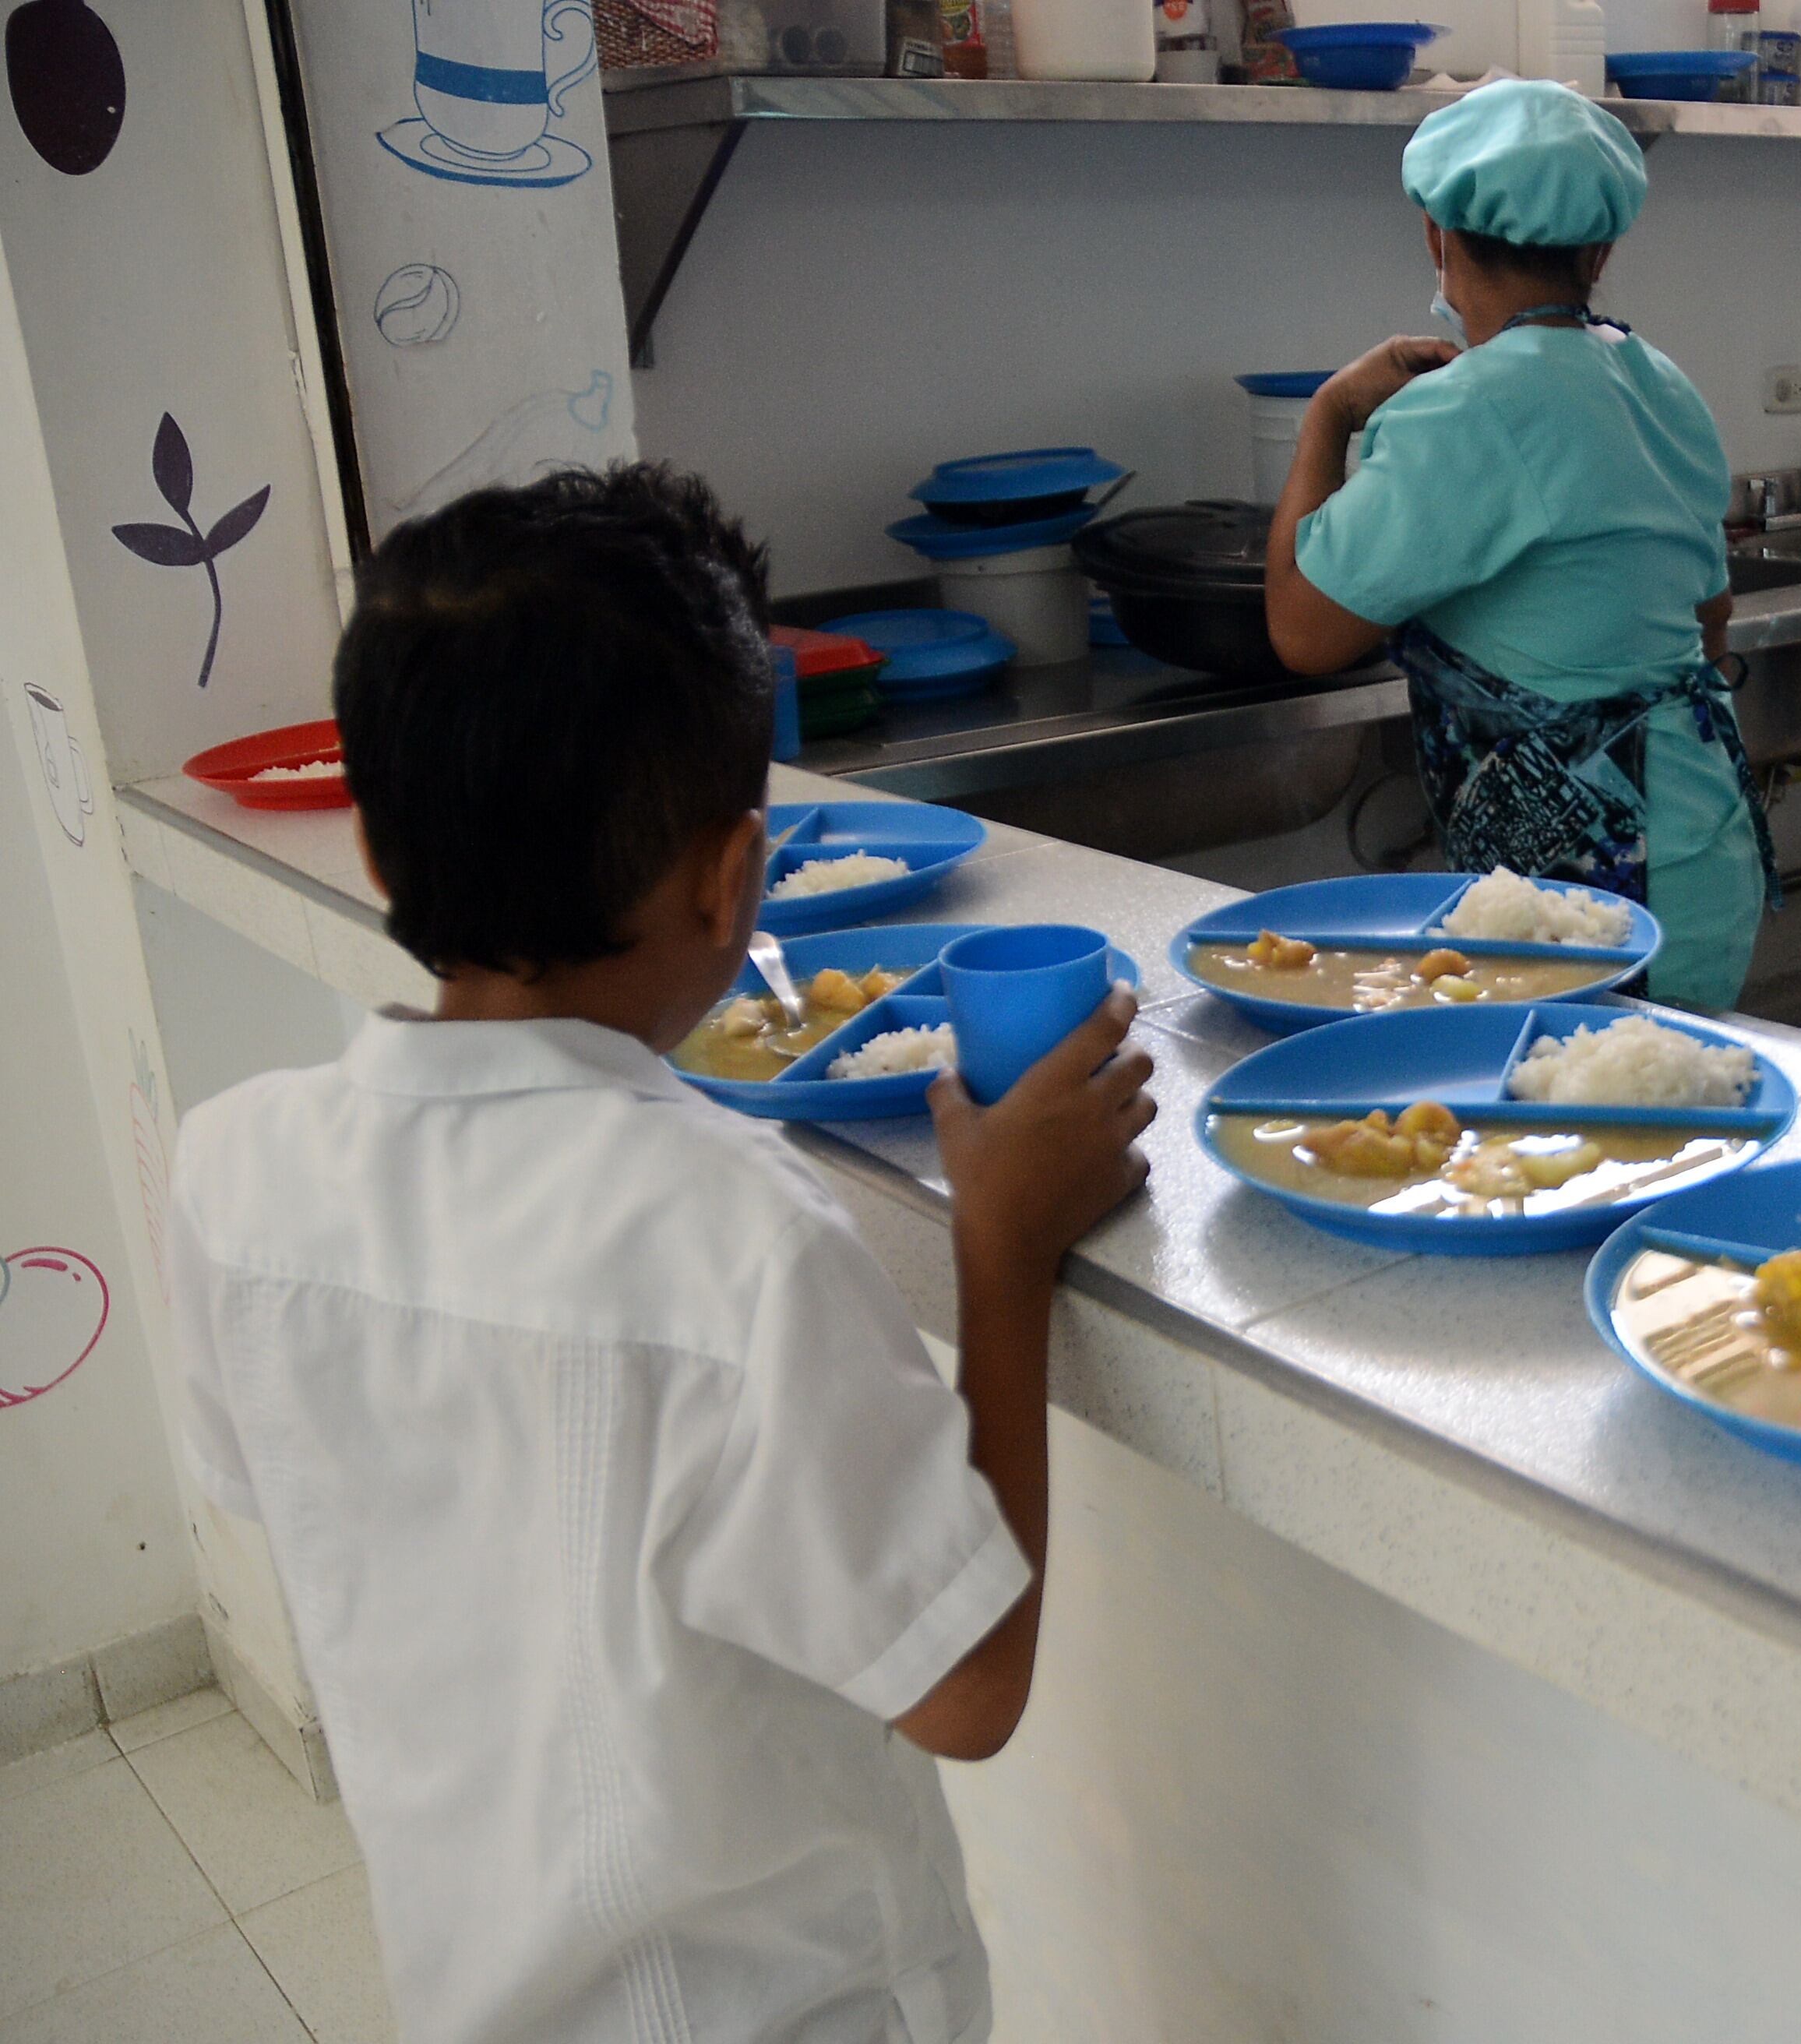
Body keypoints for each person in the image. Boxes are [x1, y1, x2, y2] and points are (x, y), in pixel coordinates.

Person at [165, 466, 1154, 2042]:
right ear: (734, 876)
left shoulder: (229, 1172)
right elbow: (966, 1690)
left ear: (370, 845)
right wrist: (1003, 1248)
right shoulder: (741, 1233)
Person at [1264, 77, 1775, 1011]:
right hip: (1700, 846)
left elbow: (1302, 629)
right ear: (1601, 249)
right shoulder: (1660, 382)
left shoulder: (1462, 409)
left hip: (1589, 895)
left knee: (1579, 1136)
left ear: (1436, 235)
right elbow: (1712, 618)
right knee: (1671, 1129)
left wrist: (1328, 416)